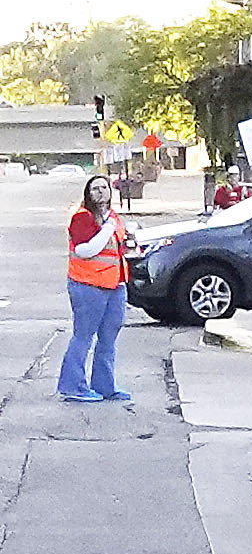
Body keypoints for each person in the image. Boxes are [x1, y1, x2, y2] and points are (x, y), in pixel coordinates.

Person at [59, 172, 135, 405]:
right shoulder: (82, 218)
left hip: (114, 286)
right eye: (95, 188)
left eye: (104, 188)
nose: (101, 192)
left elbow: (117, 249)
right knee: (83, 337)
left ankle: (104, 386)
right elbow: (85, 250)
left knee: (108, 339)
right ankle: (73, 386)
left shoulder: (112, 218)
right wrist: (107, 229)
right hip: (88, 286)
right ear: (88, 194)